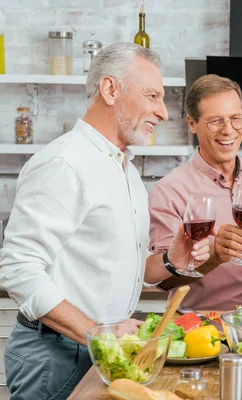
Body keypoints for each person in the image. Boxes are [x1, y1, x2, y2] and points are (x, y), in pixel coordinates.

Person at [0, 43, 210, 400]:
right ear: (110, 90)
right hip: (58, 354)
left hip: (100, 349)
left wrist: (171, 259)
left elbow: (114, 269)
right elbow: (18, 269)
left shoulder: (122, 168)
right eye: (153, 96)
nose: (163, 112)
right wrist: (101, 334)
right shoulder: (64, 163)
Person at [144, 74, 242, 310]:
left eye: (236, 119)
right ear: (192, 123)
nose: (228, 130)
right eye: (216, 121)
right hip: (204, 331)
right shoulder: (170, 190)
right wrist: (215, 257)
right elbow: (165, 280)